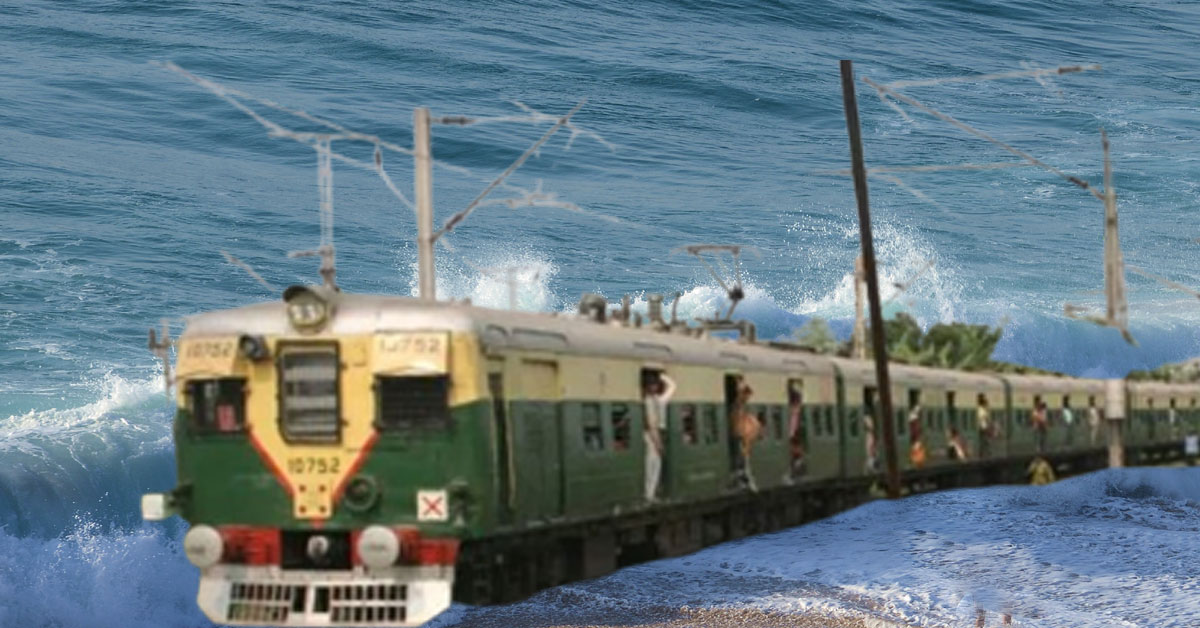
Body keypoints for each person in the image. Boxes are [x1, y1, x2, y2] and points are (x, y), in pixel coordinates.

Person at [642, 371, 676, 503]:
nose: (655, 387)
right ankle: (649, 494)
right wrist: (658, 443)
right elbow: (651, 425)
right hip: (651, 435)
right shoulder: (649, 401)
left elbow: (672, 386)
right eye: (652, 385)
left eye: (655, 384)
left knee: (655, 464)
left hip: (657, 433)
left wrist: (661, 375)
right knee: (652, 464)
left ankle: (651, 493)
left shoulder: (658, 400)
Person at [732, 378, 760, 491]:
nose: (748, 398)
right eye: (747, 396)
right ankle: (746, 479)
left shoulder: (741, 404)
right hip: (740, 432)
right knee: (743, 456)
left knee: (744, 455)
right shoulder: (739, 403)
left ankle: (745, 478)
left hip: (741, 433)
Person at [787, 382, 806, 477]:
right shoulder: (795, 411)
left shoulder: (795, 411)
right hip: (794, 436)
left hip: (794, 436)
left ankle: (796, 468)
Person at [908, 403, 926, 469]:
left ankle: (918, 462)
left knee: (917, 450)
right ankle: (917, 462)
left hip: (916, 437)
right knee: (917, 450)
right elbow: (915, 430)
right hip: (916, 438)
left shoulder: (914, 419)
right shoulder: (914, 419)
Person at [976, 393, 992, 458]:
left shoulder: (982, 408)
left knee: (984, 440)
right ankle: (984, 452)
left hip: (984, 426)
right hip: (983, 426)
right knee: (984, 440)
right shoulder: (981, 408)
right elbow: (984, 417)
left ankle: (984, 452)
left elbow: (986, 417)